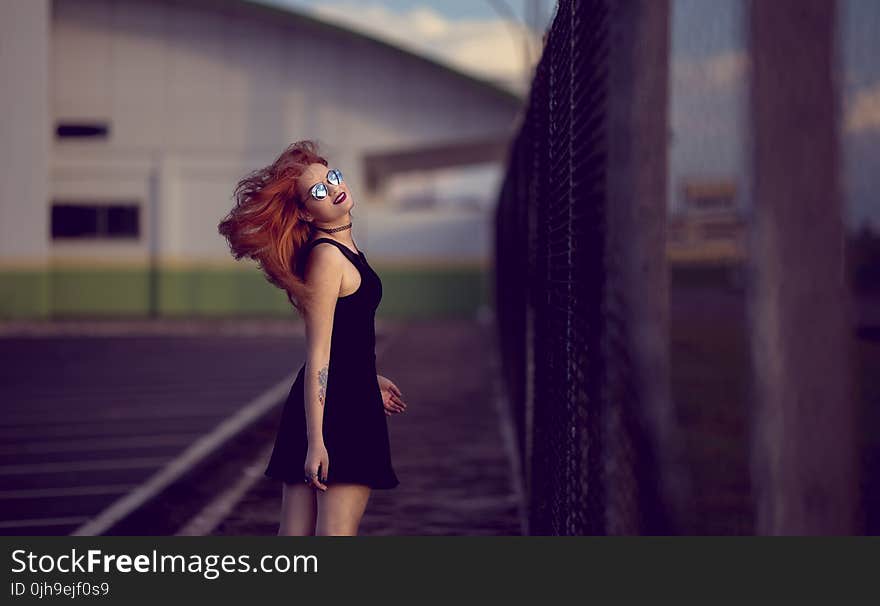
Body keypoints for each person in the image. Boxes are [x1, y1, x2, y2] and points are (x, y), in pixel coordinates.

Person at [218, 140, 408, 536]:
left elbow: (346, 342)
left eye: (332, 177)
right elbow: (319, 353)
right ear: (305, 212)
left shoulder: (344, 247)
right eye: (318, 190)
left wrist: (368, 379)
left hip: (345, 399)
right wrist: (317, 441)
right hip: (337, 417)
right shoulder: (327, 258)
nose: (333, 187)